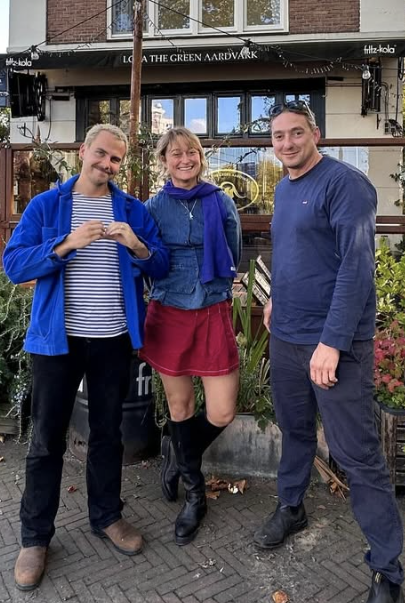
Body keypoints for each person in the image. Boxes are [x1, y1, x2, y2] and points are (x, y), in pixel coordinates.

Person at [3, 123, 168, 591]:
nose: (107, 164)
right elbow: (14, 265)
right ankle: (35, 537)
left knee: (108, 434)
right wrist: (67, 244)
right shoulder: (47, 205)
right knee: (46, 439)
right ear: (83, 151)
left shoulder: (132, 210)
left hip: (113, 339)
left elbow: (160, 263)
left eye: (116, 159)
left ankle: (107, 516)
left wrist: (136, 245)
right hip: (58, 341)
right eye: (101, 154)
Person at [255, 101, 405, 603]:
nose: (287, 143)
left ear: (315, 134)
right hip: (287, 339)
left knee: (357, 456)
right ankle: (291, 507)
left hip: (335, 347)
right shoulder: (283, 187)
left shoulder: (346, 185)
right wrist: (275, 297)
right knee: (295, 431)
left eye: (296, 133)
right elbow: (294, 253)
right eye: (279, 136)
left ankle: (387, 570)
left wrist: (332, 343)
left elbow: (357, 268)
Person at [140, 127, 241, 546]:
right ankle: (195, 496)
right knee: (180, 408)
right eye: (176, 153)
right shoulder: (152, 208)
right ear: (164, 161)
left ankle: (177, 453)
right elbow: (147, 260)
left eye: (192, 152)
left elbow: (233, 252)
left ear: (201, 157)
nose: (185, 159)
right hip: (169, 314)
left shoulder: (220, 201)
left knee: (222, 412)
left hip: (213, 310)